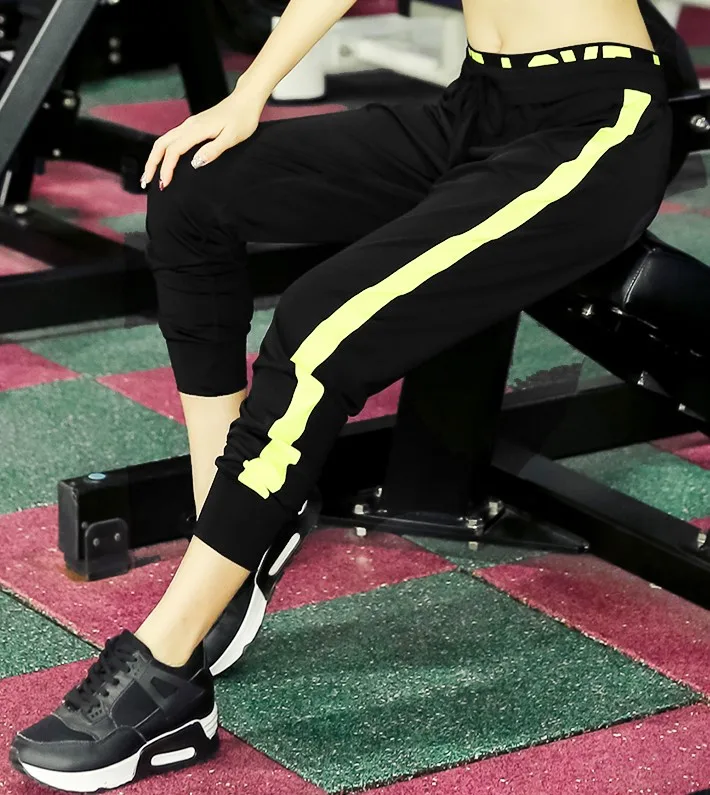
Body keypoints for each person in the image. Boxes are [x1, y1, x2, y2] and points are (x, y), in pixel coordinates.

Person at [10, 0, 678, 790]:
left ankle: (168, 673)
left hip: (593, 127)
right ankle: (228, 532)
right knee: (189, 190)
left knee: (317, 329)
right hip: (479, 106)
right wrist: (249, 93)